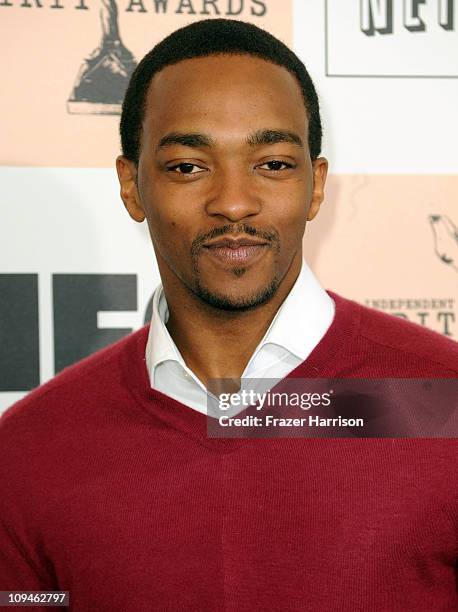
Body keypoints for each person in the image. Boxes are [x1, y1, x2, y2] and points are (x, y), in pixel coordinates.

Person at [1, 18, 457, 612]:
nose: (233, 202)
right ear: (131, 186)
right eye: (189, 166)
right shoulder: (32, 448)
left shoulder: (441, 401)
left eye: (272, 164)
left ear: (316, 186)